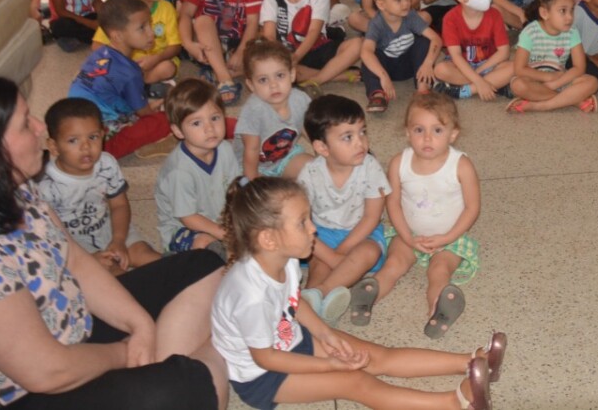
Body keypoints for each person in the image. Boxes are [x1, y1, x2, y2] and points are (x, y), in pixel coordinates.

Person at [0, 73, 227, 409]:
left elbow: (74, 259)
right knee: (191, 383)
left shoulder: (17, 186)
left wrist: (140, 325)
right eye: (25, 123)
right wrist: (123, 352)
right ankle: (196, 367)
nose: (39, 127)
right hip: (30, 389)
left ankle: (170, 371)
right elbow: (46, 372)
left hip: (77, 324)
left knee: (206, 265)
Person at [211, 175, 502, 410]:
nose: (313, 229)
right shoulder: (250, 296)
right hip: (263, 377)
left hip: (290, 340)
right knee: (356, 382)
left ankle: (473, 362)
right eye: (302, 222)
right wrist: (327, 364)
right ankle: (454, 404)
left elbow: (293, 303)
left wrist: (327, 335)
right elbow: (266, 358)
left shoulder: (284, 260)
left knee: (377, 356)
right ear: (268, 239)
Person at [371, 92, 489, 341]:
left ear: (453, 134)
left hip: (449, 238)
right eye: (419, 130)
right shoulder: (399, 163)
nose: (427, 138)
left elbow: (472, 208)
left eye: (437, 130)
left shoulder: (461, 165)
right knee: (394, 264)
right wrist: (407, 237)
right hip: (408, 234)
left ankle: (439, 311)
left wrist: (447, 237)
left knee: (439, 270)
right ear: (407, 132)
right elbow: (393, 203)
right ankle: (368, 296)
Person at [38, 97, 162, 275]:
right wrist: (83, 259)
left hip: (110, 227)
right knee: (113, 274)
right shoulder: (45, 185)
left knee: (148, 256)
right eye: (73, 140)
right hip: (74, 243)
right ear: (54, 146)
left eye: (93, 137)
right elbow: (47, 235)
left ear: (103, 135)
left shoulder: (106, 163)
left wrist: (118, 240)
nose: (86, 147)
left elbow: (119, 205)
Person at [298, 95, 391, 326]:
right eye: (348, 137)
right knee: (318, 261)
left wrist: (340, 252)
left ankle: (322, 292)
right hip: (320, 232)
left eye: (362, 132)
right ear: (322, 147)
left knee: (368, 252)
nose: (360, 143)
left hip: (362, 233)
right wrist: (330, 255)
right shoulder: (310, 174)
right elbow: (299, 222)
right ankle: (312, 304)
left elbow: (371, 217)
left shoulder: (370, 166)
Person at [69, 0, 171, 158]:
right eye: (142, 28)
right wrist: (151, 112)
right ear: (117, 36)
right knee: (166, 119)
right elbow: (143, 113)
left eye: (150, 24)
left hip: (71, 124)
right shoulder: (130, 72)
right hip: (99, 145)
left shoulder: (98, 55)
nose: (151, 33)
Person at [156, 79, 241, 258]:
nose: (210, 128)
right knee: (203, 243)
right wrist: (226, 234)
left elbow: (236, 188)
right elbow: (188, 217)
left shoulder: (225, 149)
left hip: (219, 217)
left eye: (215, 118)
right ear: (178, 131)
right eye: (196, 123)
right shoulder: (179, 171)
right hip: (183, 228)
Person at [261, 0, 364, 89]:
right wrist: (285, 58)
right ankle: (336, 75)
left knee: (359, 44)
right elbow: (269, 36)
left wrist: (296, 57)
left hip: (316, 47)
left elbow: (314, 32)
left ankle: (318, 79)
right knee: (269, 64)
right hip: (285, 52)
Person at [179, 0, 264, 106]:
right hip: (203, 44)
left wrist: (240, 52)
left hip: (235, 44)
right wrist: (188, 44)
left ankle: (215, 72)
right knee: (202, 20)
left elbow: (252, 23)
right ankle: (225, 79)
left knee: (264, 49)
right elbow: (185, 14)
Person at [91, 0, 182, 91]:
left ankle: (140, 83)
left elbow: (175, 46)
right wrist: (123, 61)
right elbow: (97, 45)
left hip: (157, 61)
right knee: (103, 66)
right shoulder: (119, 11)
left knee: (168, 68)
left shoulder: (167, 8)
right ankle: (139, 84)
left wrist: (156, 58)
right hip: (127, 62)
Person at [506, 0, 598, 114]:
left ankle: (540, 106)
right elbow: (520, 69)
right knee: (518, 85)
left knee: (592, 82)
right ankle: (574, 101)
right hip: (534, 80)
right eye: (563, 11)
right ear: (544, 13)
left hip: (560, 79)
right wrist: (547, 77)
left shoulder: (572, 32)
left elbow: (579, 68)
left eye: (571, 10)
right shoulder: (530, 32)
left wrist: (556, 83)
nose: (570, 17)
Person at [360, 0, 444, 114]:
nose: (406, 3)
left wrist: (428, 63)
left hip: (410, 66)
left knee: (423, 41)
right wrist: (383, 75)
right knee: (368, 56)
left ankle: (423, 88)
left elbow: (436, 39)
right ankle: (378, 94)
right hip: (386, 69)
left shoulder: (411, 16)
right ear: (381, 4)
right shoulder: (376, 24)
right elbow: (366, 51)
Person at [433, 0, 515, 100]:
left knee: (514, 67)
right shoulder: (450, 18)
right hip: (461, 66)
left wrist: (478, 75)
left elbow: (504, 52)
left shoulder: (494, 14)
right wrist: (479, 80)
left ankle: (466, 91)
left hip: (489, 63)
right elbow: (456, 56)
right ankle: (495, 85)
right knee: (440, 70)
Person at [234, 42, 313, 181]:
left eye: (280, 75)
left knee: (315, 170)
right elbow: (251, 150)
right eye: (263, 80)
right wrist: (253, 183)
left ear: (292, 74)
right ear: (251, 85)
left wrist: (324, 161)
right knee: (270, 194)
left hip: (287, 157)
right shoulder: (253, 111)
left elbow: (312, 132)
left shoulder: (300, 99)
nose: (273, 85)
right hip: (254, 166)